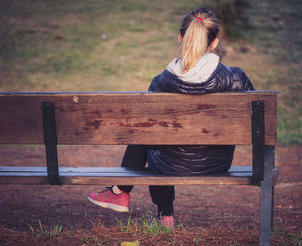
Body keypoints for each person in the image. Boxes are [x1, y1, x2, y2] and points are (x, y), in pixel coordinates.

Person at [87, 7, 255, 228]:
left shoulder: (162, 81)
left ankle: (158, 211)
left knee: (146, 136)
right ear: (214, 43)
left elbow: (145, 130)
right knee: (149, 136)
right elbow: (256, 121)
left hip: (169, 165)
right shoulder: (236, 78)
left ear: (180, 38)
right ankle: (120, 192)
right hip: (217, 162)